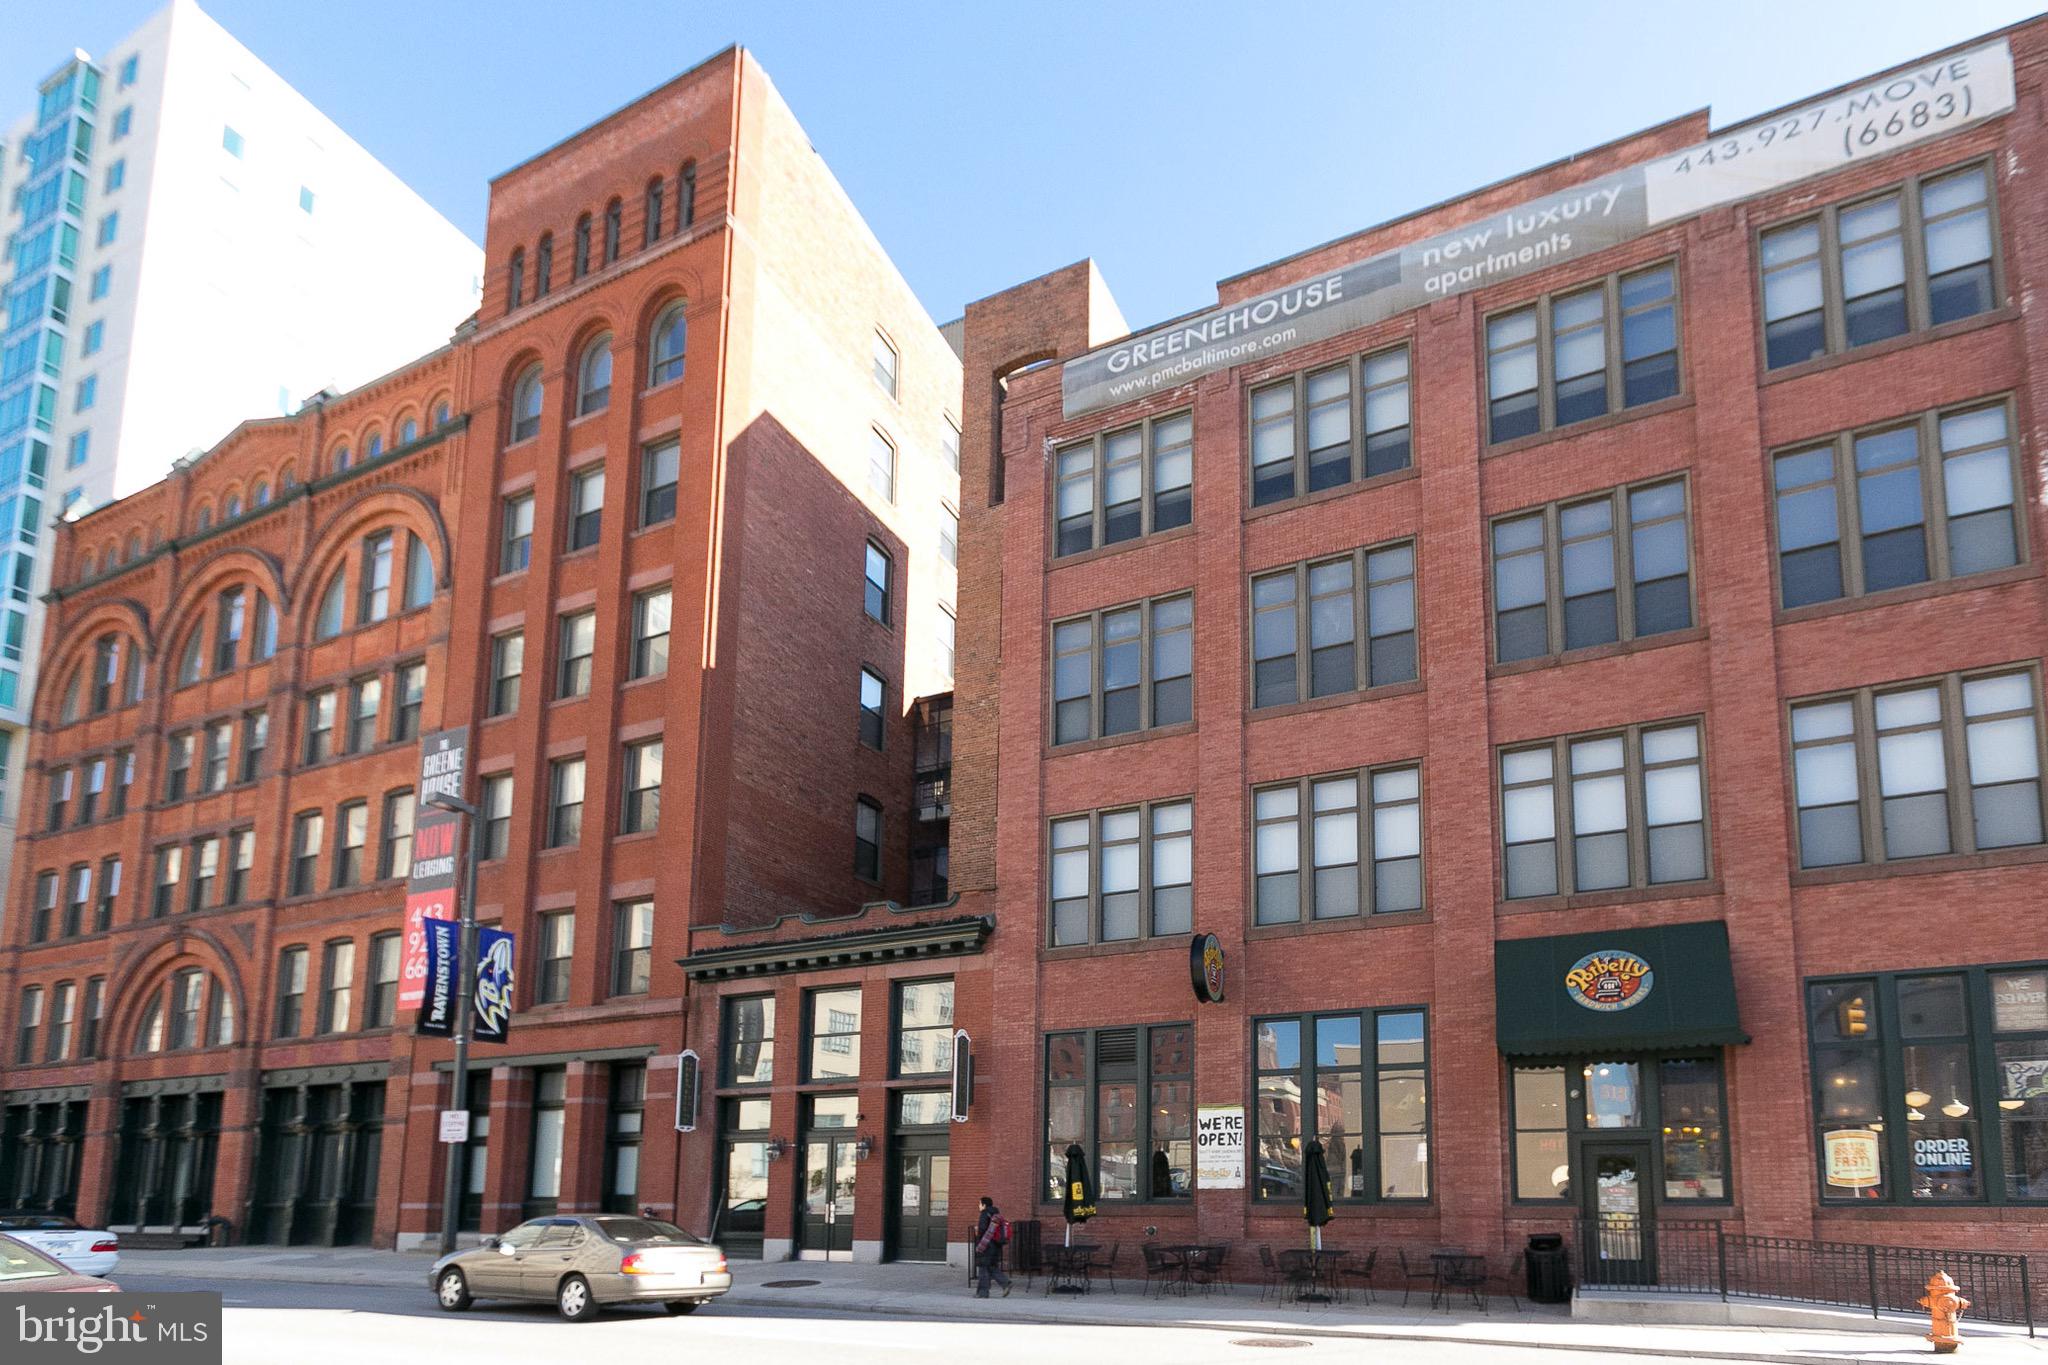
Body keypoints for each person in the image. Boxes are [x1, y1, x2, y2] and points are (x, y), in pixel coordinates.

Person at [973, 1195, 1011, 1298]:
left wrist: (977, 1234)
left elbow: (982, 1229)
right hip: (996, 1245)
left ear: (984, 1205)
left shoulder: (985, 1214)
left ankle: (983, 1292)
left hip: (986, 1245)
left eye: (979, 1204)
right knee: (991, 1267)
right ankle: (1005, 1283)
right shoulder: (996, 1214)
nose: (979, 1206)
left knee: (983, 1268)